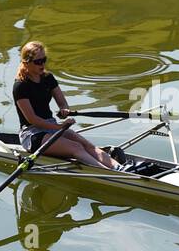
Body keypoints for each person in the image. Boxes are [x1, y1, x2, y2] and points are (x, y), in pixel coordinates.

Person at [12, 41, 121, 169]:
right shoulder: (20, 86)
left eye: (44, 60)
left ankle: (119, 168)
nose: (42, 64)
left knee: (86, 145)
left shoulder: (48, 78)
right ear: (26, 63)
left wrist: (64, 110)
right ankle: (109, 173)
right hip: (32, 134)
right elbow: (33, 120)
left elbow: (62, 102)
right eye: (38, 62)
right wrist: (58, 126)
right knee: (76, 147)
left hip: (52, 127)